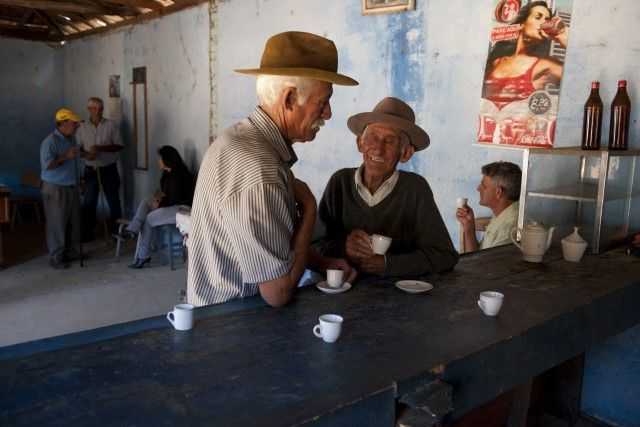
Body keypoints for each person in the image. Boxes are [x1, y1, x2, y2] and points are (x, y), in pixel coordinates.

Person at [187, 31, 358, 307]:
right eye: (323, 102)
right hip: (233, 325)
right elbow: (277, 293)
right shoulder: (260, 168)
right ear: (289, 99)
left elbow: (266, 243)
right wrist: (310, 209)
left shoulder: (241, 138)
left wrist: (320, 262)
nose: (328, 113)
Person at [317, 97, 458, 277]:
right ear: (360, 143)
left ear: (406, 153)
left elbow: (444, 256)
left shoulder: (415, 189)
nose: (378, 149)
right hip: (342, 292)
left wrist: (388, 264)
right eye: (373, 137)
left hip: (397, 297)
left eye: (390, 141)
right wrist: (344, 246)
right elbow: (315, 245)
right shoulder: (340, 182)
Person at [483, 1, 568, 110]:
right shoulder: (497, 61)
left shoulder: (545, 65)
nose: (543, 23)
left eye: (546, 20)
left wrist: (562, 37)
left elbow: (577, 80)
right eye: (538, 17)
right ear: (522, 23)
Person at [40, 108, 94, 269]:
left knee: (73, 222)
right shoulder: (49, 142)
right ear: (62, 123)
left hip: (72, 186)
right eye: (73, 124)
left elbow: (76, 157)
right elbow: (48, 165)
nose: (77, 126)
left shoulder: (71, 139)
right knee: (57, 223)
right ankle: (56, 256)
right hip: (55, 188)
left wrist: (85, 155)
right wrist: (65, 157)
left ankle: (70, 251)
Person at [124, 146, 195, 268]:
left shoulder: (179, 175)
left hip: (181, 209)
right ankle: (133, 229)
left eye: (160, 158)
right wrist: (158, 199)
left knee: (149, 219)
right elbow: (165, 193)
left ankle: (143, 256)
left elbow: (175, 199)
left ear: (167, 159)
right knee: (146, 201)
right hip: (170, 204)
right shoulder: (168, 173)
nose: (159, 161)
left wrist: (160, 204)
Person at [76, 97, 124, 240]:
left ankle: (117, 232)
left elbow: (119, 145)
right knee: (89, 202)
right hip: (90, 170)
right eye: (95, 108)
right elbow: (78, 149)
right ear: (89, 109)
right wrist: (86, 155)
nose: (98, 111)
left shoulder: (111, 125)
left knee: (113, 201)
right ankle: (87, 233)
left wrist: (100, 148)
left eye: (101, 108)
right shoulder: (81, 128)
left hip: (109, 168)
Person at [456, 162, 521, 252]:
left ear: (498, 192)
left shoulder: (508, 230)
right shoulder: (502, 215)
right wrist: (468, 226)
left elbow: (479, 264)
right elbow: (477, 256)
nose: (478, 188)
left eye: (484, 186)